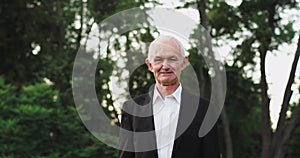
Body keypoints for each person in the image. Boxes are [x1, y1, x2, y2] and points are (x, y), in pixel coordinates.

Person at [119, 35, 220, 158]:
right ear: (150, 65)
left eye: (172, 59)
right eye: (158, 60)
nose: (165, 66)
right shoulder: (132, 109)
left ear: (184, 62)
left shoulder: (204, 110)